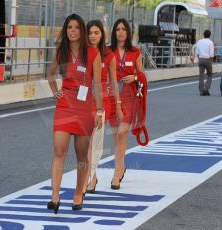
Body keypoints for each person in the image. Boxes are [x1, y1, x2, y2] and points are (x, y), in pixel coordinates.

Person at [46, 14, 103, 214]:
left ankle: (79, 193)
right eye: (69, 27)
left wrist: (99, 110)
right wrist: (55, 91)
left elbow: (97, 84)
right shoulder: (60, 51)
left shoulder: (93, 53)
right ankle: (54, 196)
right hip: (64, 104)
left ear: (82, 31)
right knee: (59, 149)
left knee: (81, 154)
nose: (72, 31)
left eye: (76, 27)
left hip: (85, 106)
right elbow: (50, 73)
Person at [85, 20, 123, 194]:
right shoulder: (82, 53)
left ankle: (89, 177)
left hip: (102, 101)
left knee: (95, 140)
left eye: (96, 33)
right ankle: (92, 177)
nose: (93, 36)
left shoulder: (109, 55)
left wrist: (118, 104)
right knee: (85, 142)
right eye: (90, 33)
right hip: (83, 100)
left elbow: (114, 82)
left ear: (102, 35)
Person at [109, 18, 147, 190]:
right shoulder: (107, 51)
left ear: (128, 32)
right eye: (118, 29)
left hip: (130, 96)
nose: (121, 32)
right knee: (115, 133)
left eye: (124, 29)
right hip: (112, 96)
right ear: (114, 32)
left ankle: (117, 171)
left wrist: (135, 77)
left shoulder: (135, 52)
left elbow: (142, 75)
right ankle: (121, 166)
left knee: (122, 133)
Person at [195, 29, 214, 96]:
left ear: (203, 35)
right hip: (207, 59)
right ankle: (206, 89)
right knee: (210, 74)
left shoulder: (199, 41)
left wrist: (199, 58)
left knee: (201, 76)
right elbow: (211, 54)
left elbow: (197, 52)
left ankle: (201, 90)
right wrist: (211, 62)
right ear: (210, 35)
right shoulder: (210, 42)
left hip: (200, 59)